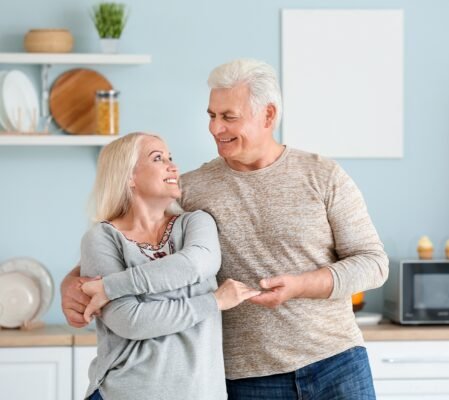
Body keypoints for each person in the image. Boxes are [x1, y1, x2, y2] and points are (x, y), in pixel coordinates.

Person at [62, 59, 389, 400]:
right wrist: (74, 282)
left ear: (268, 115)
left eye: (229, 117)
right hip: (244, 376)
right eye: (211, 115)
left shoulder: (323, 176)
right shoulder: (190, 189)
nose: (215, 128)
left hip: (336, 361)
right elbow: (132, 236)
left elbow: (373, 263)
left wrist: (300, 286)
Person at [76, 132, 260, 400]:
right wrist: (213, 302)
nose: (173, 166)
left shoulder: (195, 223)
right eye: (158, 158)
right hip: (125, 392)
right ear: (129, 176)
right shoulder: (102, 239)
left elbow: (196, 265)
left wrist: (111, 286)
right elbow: (131, 322)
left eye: (171, 158)